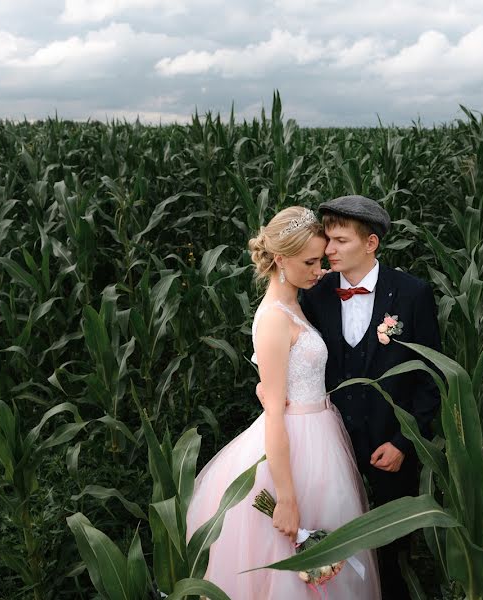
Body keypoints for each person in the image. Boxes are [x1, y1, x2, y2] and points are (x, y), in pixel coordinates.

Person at [184, 206, 381, 600]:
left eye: (320, 260)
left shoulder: (296, 304)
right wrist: (287, 499)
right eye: (309, 262)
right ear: (280, 258)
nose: (318, 270)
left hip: (322, 434)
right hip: (293, 442)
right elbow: (274, 409)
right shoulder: (274, 317)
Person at [259, 196, 442, 600]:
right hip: (328, 450)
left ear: (371, 243)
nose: (328, 250)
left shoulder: (412, 295)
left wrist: (403, 442)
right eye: (327, 240)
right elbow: (289, 355)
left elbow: (431, 379)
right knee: (335, 548)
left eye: (340, 241)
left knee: (393, 556)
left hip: (390, 451)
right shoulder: (317, 292)